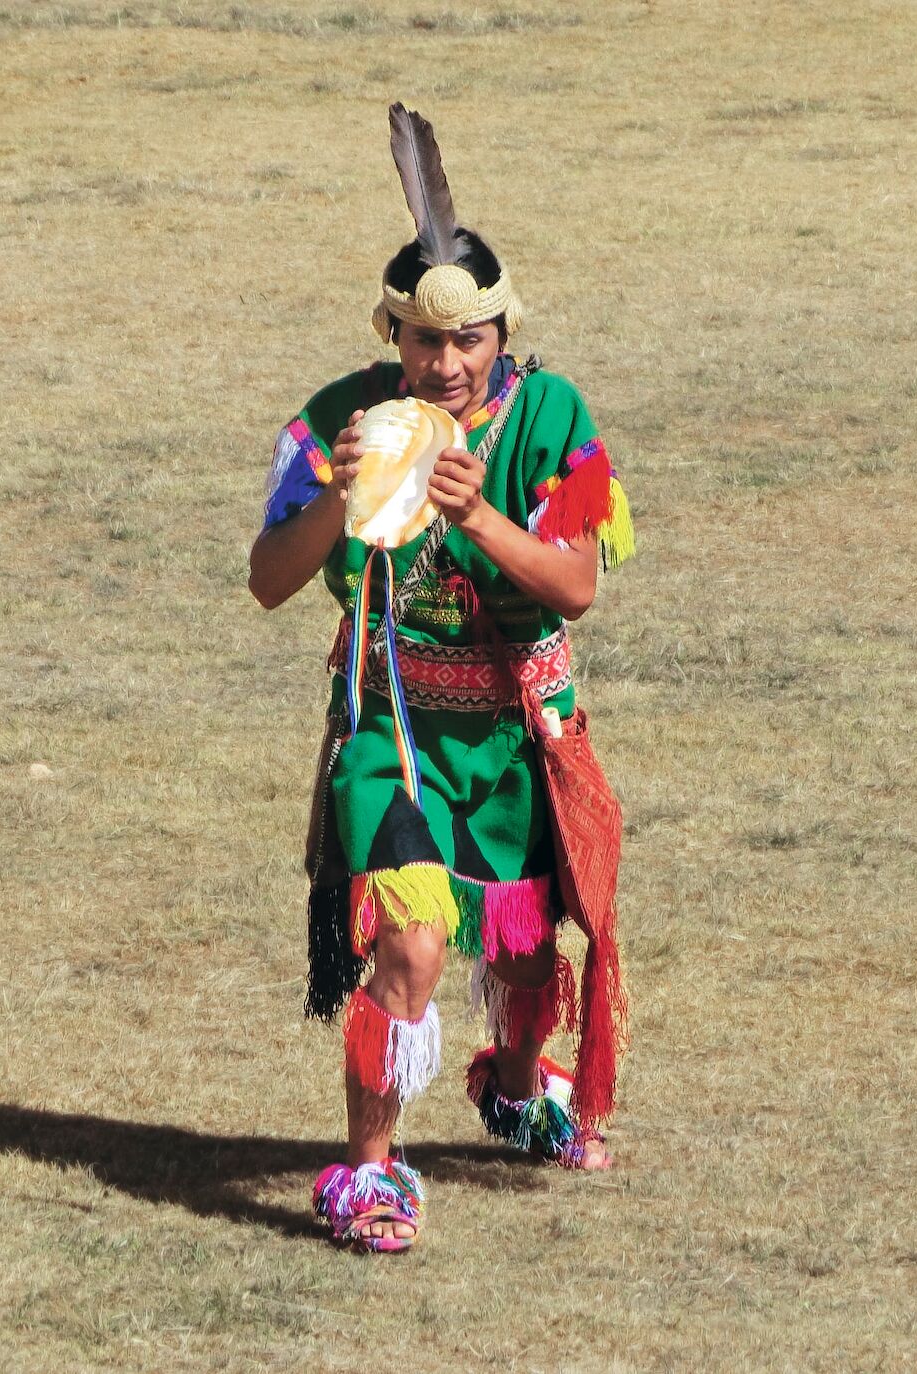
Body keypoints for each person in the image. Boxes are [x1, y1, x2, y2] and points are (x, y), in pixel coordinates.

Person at [248, 105, 634, 1252]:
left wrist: (478, 517)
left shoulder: (553, 417)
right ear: (391, 334)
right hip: (391, 729)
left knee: (521, 947)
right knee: (412, 942)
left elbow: (574, 585)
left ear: (504, 333)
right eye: (423, 341)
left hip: (516, 734)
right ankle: (366, 1171)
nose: (447, 364)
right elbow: (270, 580)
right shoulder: (339, 419)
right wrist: (340, 494)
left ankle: (514, 1087)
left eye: (469, 342)